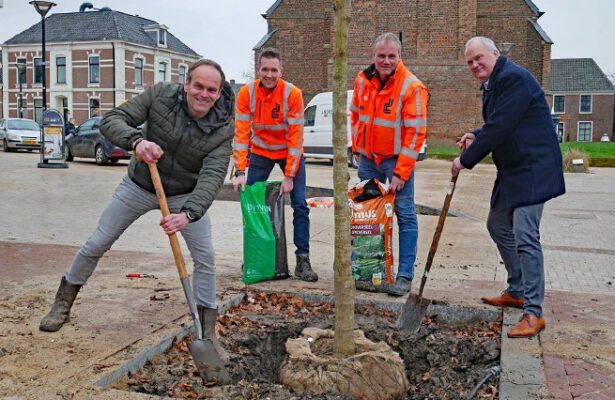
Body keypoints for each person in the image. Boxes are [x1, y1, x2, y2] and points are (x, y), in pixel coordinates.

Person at [39, 59, 235, 361]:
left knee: (206, 258)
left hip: (185, 196)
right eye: (198, 86)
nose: (204, 94)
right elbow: (112, 120)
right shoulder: (160, 96)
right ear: (186, 85)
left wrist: (189, 214)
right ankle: (62, 303)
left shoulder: (223, 127)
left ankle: (206, 334)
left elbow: (213, 175)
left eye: (212, 89)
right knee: (97, 243)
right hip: (140, 184)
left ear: (220, 93)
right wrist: (137, 141)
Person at [452, 36, 565, 338]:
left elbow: (501, 126)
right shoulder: (494, 83)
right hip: (514, 171)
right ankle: (517, 289)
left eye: (479, 58)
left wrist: (465, 160)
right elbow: (501, 123)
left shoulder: (513, 78)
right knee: (498, 224)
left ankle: (533, 312)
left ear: (495, 53)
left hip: (535, 169)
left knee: (526, 235)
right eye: (470, 62)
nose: (475, 65)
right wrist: (477, 135)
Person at [350, 32, 428, 296]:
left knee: (405, 214)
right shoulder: (362, 80)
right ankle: (371, 273)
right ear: (374, 56)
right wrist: (358, 148)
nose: (386, 61)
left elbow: (415, 134)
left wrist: (401, 171)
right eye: (381, 56)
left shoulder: (411, 86)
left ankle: (404, 275)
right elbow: (355, 116)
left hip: (395, 162)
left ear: (399, 57)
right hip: (369, 161)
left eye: (391, 56)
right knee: (368, 217)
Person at [232, 48, 318, 282]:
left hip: (289, 153)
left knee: (299, 204)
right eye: (265, 69)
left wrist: (289, 175)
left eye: (274, 70)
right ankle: (255, 256)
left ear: (281, 71)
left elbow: (295, 136)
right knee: (254, 205)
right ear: (258, 70)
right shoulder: (246, 94)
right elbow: (240, 135)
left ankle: (303, 260)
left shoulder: (292, 94)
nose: (269, 74)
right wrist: (240, 171)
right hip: (260, 153)